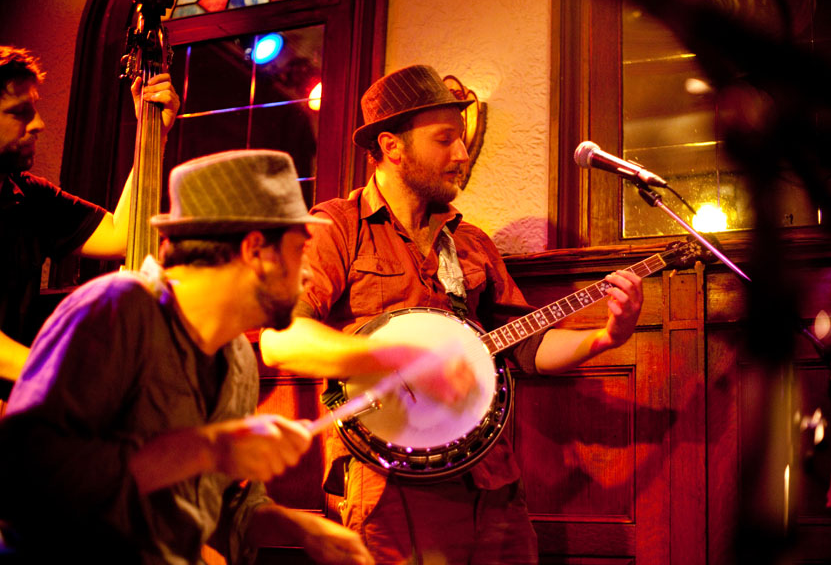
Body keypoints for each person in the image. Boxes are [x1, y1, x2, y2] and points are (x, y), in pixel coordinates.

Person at [259, 64, 644, 564]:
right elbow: (282, 338)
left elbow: (526, 348)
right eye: (445, 139)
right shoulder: (336, 226)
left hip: (489, 483)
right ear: (392, 146)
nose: (462, 155)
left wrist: (607, 337)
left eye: (461, 140)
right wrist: (391, 354)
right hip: (387, 489)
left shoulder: (471, 243)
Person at [0, 149, 374, 564]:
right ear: (255, 250)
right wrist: (205, 448)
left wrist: (299, 528)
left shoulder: (237, 359)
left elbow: (228, 506)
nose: (306, 272)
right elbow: (26, 480)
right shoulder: (117, 309)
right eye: (298, 250)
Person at [0, 45, 179, 389]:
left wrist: (153, 133)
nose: (38, 123)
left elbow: (122, 235)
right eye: (19, 112)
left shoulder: (30, 197)